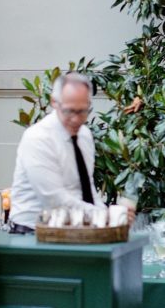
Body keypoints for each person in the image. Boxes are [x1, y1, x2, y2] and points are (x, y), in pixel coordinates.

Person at [9, 71, 107, 233]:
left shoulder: (85, 135)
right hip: (33, 232)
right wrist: (102, 216)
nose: (76, 119)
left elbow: (87, 188)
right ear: (54, 102)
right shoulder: (38, 137)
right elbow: (54, 200)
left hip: (72, 229)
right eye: (70, 111)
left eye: (83, 111)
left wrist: (109, 216)